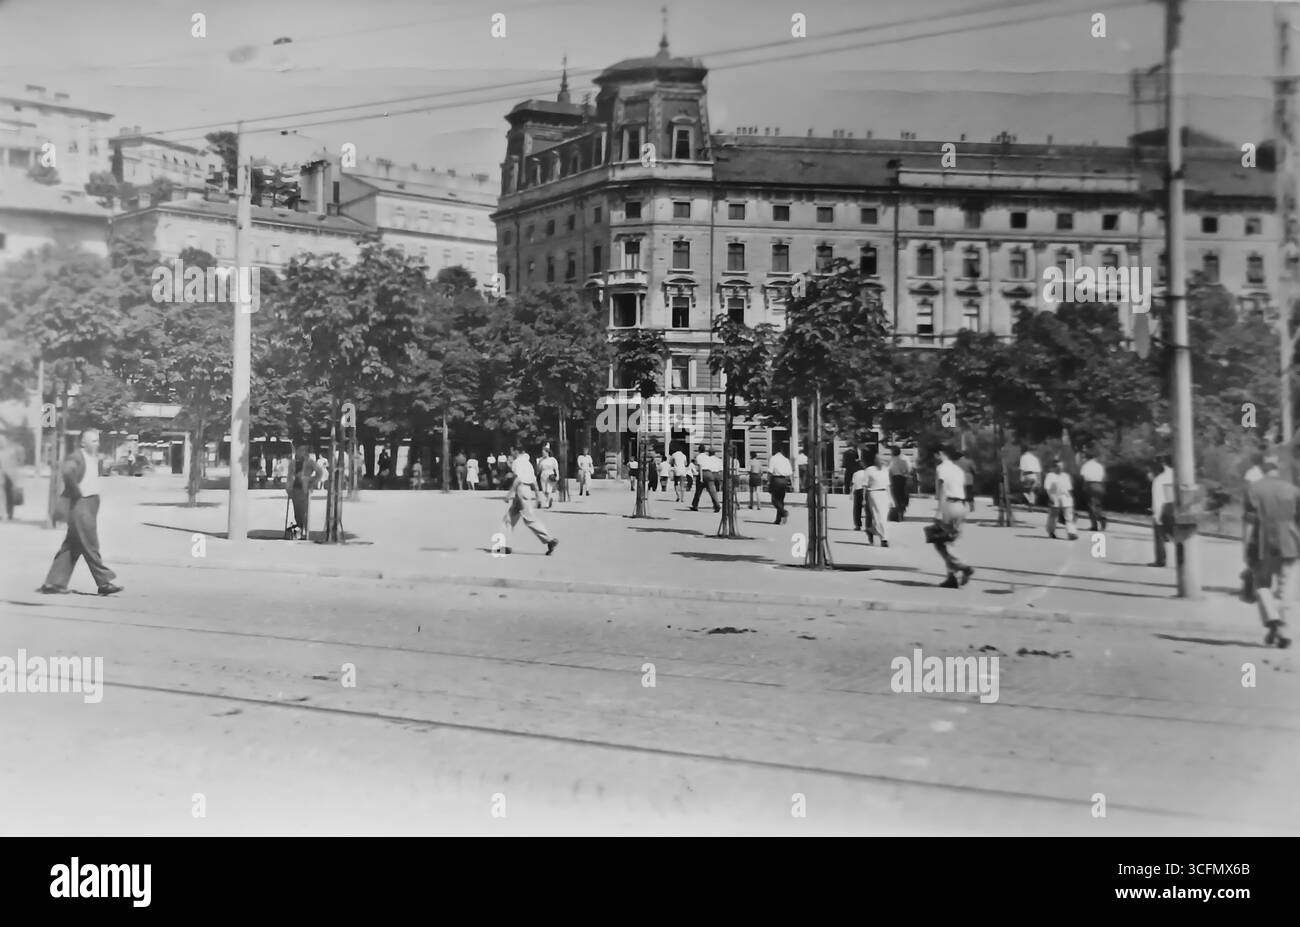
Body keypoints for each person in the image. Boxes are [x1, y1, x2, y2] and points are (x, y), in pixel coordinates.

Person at [38, 429, 122, 596]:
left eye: (97, 441)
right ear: (83, 442)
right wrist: (76, 492)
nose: (96, 444)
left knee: (72, 545)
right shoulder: (77, 456)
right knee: (90, 543)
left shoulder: (93, 458)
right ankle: (104, 582)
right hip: (81, 505)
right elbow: (67, 471)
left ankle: (54, 583)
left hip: (89, 504)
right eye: (93, 441)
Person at [1244, 454, 1297, 648]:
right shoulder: (1292, 490)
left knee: (1261, 584)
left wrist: (1245, 547)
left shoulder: (1254, 489)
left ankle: (1273, 618)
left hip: (1262, 544)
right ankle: (1284, 629)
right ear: (1278, 469)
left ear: (1262, 468)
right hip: (1290, 543)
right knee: (1285, 590)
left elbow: (1249, 522)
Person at [499, 449, 558, 556]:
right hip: (527, 491)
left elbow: (517, 480)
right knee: (508, 519)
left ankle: (549, 540)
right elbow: (534, 482)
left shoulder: (517, 463)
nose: (511, 454)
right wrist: (537, 496)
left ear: (517, 452)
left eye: (512, 452)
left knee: (530, 519)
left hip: (520, 491)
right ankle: (505, 546)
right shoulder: (528, 464)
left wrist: (509, 495)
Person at [929, 445, 973, 588]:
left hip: (950, 505)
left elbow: (942, 490)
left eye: (935, 455)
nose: (935, 458)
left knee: (939, 541)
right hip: (961, 505)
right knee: (951, 540)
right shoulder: (958, 469)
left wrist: (939, 511)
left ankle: (962, 566)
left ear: (940, 453)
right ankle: (951, 577)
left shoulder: (942, 468)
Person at [1148, 456, 1175, 568]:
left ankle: (1160, 560)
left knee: (1159, 535)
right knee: (1178, 535)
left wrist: (1157, 515)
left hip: (1164, 509)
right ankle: (1186, 560)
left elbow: (1158, 499)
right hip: (1177, 509)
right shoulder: (1177, 475)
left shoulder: (1159, 480)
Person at [1043, 459, 1079, 540]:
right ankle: (1051, 531)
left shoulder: (1065, 476)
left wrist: (1071, 499)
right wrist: (1050, 497)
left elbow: (1069, 489)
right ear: (1054, 467)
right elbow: (1047, 488)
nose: (1060, 468)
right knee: (1053, 516)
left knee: (1069, 516)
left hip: (1065, 497)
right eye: (1058, 466)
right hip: (1055, 496)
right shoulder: (1050, 475)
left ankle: (1071, 533)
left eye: (1061, 466)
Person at [863, 450, 892, 547]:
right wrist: (864, 499)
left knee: (884, 517)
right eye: (881, 460)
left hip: (884, 494)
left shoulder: (885, 470)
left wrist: (891, 499)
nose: (883, 462)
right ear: (876, 460)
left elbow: (888, 486)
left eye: (884, 460)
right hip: (873, 493)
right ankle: (884, 539)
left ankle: (872, 529)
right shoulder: (869, 470)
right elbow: (865, 486)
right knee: (878, 516)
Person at [1080, 452, 1107, 531]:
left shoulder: (1086, 465)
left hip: (1090, 485)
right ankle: (1101, 516)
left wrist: (1084, 486)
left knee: (1091, 506)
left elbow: (1083, 476)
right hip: (1099, 485)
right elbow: (1103, 477)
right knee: (1098, 504)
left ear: (1087, 458)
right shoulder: (1099, 466)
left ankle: (1096, 523)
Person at [691, 447, 721, 513]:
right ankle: (717, 505)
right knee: (712, 491)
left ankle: (695, 505)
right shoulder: (707, 457)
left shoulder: (698, 457)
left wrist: (701, 478)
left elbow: (700, 466)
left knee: (698, 491)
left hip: (703, 473)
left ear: (699, 450)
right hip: (710, 473)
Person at [769, 447, 793, 525]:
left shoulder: (773, 458)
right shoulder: (786, 460)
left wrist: (768, 481)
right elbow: (789, 473)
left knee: (774, 500)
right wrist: (790, 483)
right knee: (781, 500)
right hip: (784, 480)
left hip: (776, 480)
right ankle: (778, 520)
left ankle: (783, 512)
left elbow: (770, 471)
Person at [888, 446, 911, 521]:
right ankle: (901, 510)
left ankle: (899, 512)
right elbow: (909, 468)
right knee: (903, 495)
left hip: (896, 479)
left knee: (897, 496)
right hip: (903, 478)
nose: (891, 453)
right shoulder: (905, 458)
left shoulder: (893, 459)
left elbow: (889, 470)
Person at [0, 436, 21, 520]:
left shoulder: (10, 452)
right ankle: (8, 513)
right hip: (7, 477)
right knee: (6, 496)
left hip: (7, 477)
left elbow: (14, 464)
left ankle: (7, 513)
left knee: (6, 496)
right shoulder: (10, 452)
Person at [850, 458, 870, 534]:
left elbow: (853, 484)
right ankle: (868, 526)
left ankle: (858, 525)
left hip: (858, 491)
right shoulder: (867, 473)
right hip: (866, 490)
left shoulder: (855, 474)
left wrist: (851, 494)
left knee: (857, 509)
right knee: (867, 510)